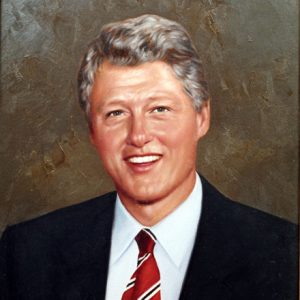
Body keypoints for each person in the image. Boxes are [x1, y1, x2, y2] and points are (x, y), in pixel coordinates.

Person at [0, 14, 297, 300]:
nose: (138, 136)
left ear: (201, 118)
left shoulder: (284, 254)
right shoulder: (26, 253)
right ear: (92, 131)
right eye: (116, 113)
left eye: (159, 109)